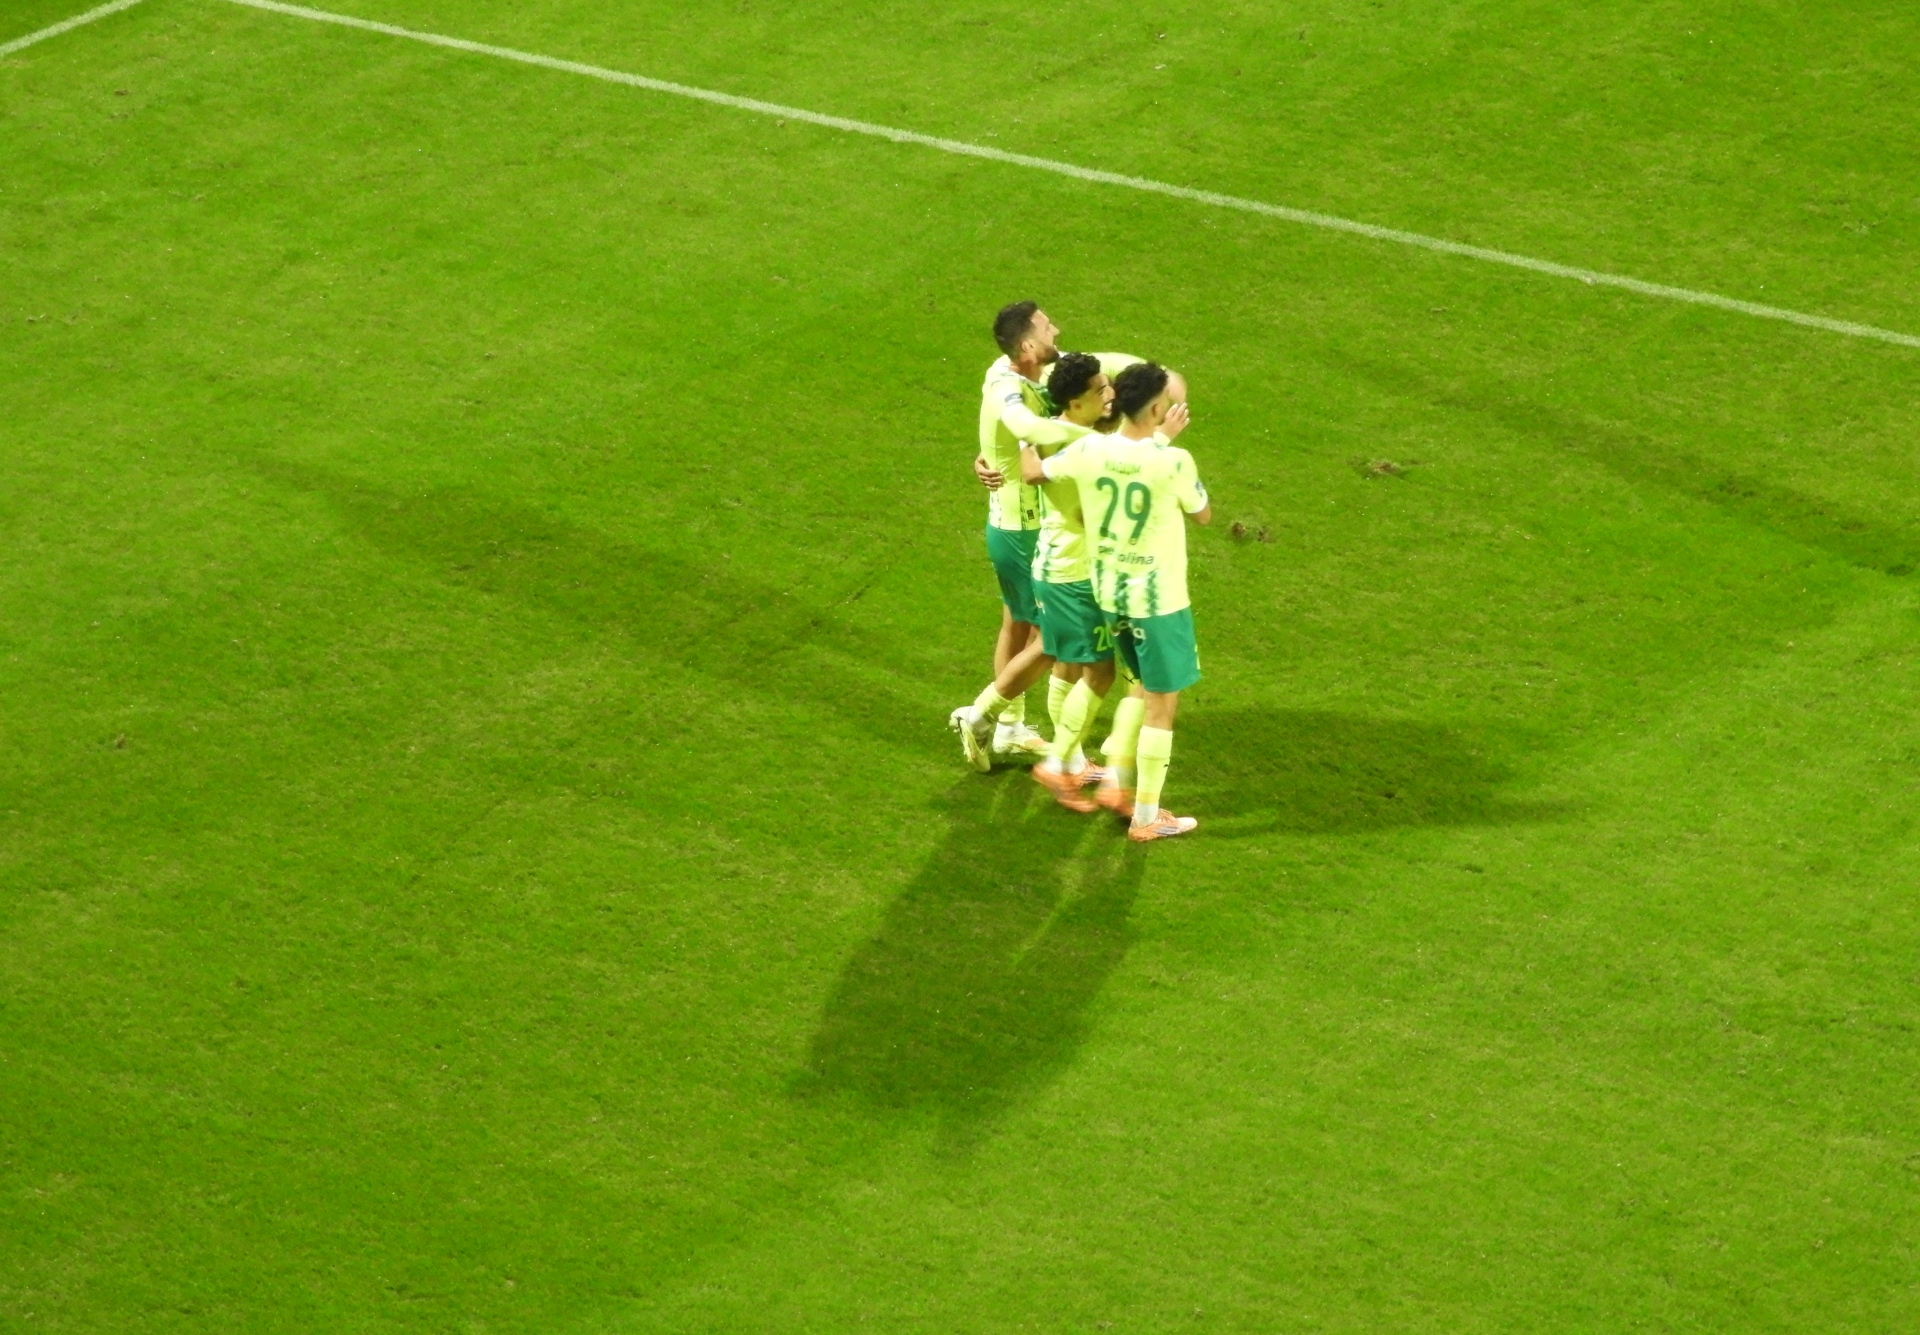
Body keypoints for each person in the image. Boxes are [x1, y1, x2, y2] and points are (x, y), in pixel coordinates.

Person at [1022, 361, 1211, 841]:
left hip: (1110, 594)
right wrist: (1164, 445)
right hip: (1159, 601)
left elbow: (1034, 472)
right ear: (1156, 409)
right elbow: (1203, 513)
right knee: (1161, 705)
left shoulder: (1089, 448)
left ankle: (1111, 781)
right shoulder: (1173, 460)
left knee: (1139, 687)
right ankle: (1146, 817)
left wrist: (1024, 432)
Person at [948, 302, 1097, 770]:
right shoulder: (1004, 384)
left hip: (1024, 524)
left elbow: (1096, 366)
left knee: (1018, 622)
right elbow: (1022, 426)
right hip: (1022, 530)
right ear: (1028, 344)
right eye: (1047, 326)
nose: (1058, 329)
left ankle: (1009, 728)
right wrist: (1097, 443)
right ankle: (982, 715)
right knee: (1054, 635)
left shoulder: (1042, 366)